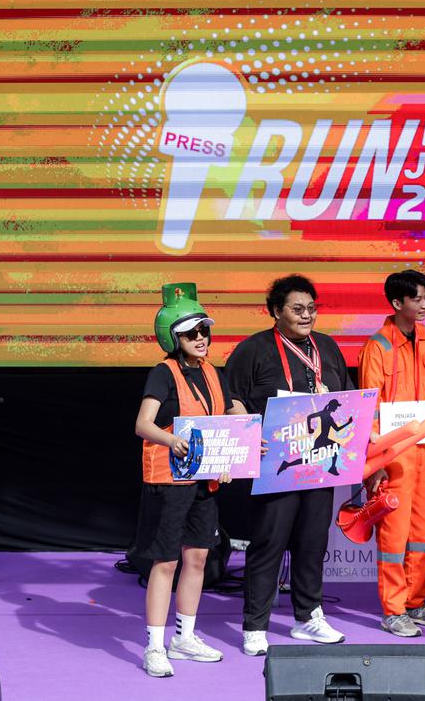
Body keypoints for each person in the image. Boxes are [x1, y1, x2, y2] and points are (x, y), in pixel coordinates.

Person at [225, 274, 351, 656]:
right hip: (277, 465)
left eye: (311, 308)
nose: (306, 315)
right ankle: (255, 625)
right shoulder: (253, 350)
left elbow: (347, 396)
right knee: (269, 543)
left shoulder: (327, 347)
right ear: (276, 311)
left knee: (312, 543)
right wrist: (248, 433)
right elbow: (231, 399)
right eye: (297, 309)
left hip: (321, 463)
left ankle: (308, 617)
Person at [132, 283, 248, 678]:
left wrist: (244, 441)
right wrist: (172, 440)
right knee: (165, 561)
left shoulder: (213, 372)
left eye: (204, 331)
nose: (201, 338)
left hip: (204, 482)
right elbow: (143, 424)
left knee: (197, 557)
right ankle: (154, 646)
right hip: (169, 481)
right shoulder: (162, 374)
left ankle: (184, 638)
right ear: (173, 339)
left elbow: (231, 410)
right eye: (190, 333)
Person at [358, 269, 425, 637]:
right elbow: (369, 408)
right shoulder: (377, 346)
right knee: (394, 534)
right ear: (397, 303)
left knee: (424, 530)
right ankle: (393, 609)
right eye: (417, 298)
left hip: (423, 447)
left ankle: (415, 601)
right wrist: (375, 461)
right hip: (393, 453)